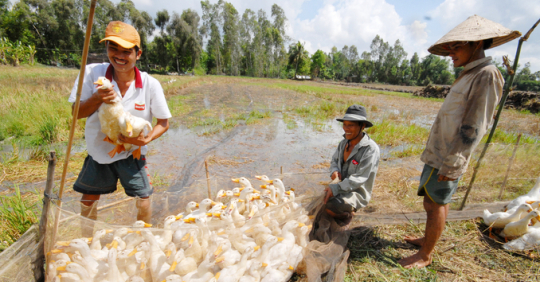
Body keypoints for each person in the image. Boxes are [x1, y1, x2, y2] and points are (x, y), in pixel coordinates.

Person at [398, 15, 521, 268]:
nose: (451, 53)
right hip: (440, 151)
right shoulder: (470, 73)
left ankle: (425, 255)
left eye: (457, 47)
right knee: (432, 201)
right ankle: (426, 240)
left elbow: (474, 125)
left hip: (449, 155)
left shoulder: (486, 74)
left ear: (476, 45)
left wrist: (455, 162)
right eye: (450, 48)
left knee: (435, 204)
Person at [68, 21, 172, 236]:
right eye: (113, 48)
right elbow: (76, 113)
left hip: (132, 152)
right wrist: (97, 97)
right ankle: (87, 240)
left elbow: (163, 122)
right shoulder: (92, 74)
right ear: (106, 49)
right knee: (88, 199)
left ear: (138, 54)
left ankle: (143, 238)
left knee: (143, 199)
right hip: (98, 151)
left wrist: (146, 140)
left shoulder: (150, 84)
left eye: (126, 51)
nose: (119, 56)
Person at [324, 105, 380, 226]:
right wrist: (334, 171)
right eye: (345, 124)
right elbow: (334, 160)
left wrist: (335, 188)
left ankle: (348, 213)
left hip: (356, 192)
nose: (346, 129)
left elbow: (359, 178)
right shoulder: (343, 143)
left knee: (331, 207)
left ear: (362, 126)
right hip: (341, 186)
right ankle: (342, 206)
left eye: (351, 125)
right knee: (323, 201)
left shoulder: (370, 149)